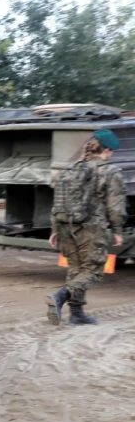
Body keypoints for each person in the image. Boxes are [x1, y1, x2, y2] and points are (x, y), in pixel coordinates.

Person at [47, 129, 127, 325]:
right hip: (92, 227)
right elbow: (115, 206)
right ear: (107, 150)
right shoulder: (110, 172)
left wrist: (54, 229)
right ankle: (60, 297)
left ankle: (76, 313)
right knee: (93, 271)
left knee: (76, 269)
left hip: (67, 225)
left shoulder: (73, 169)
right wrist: (117, 230)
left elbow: (59, 201)